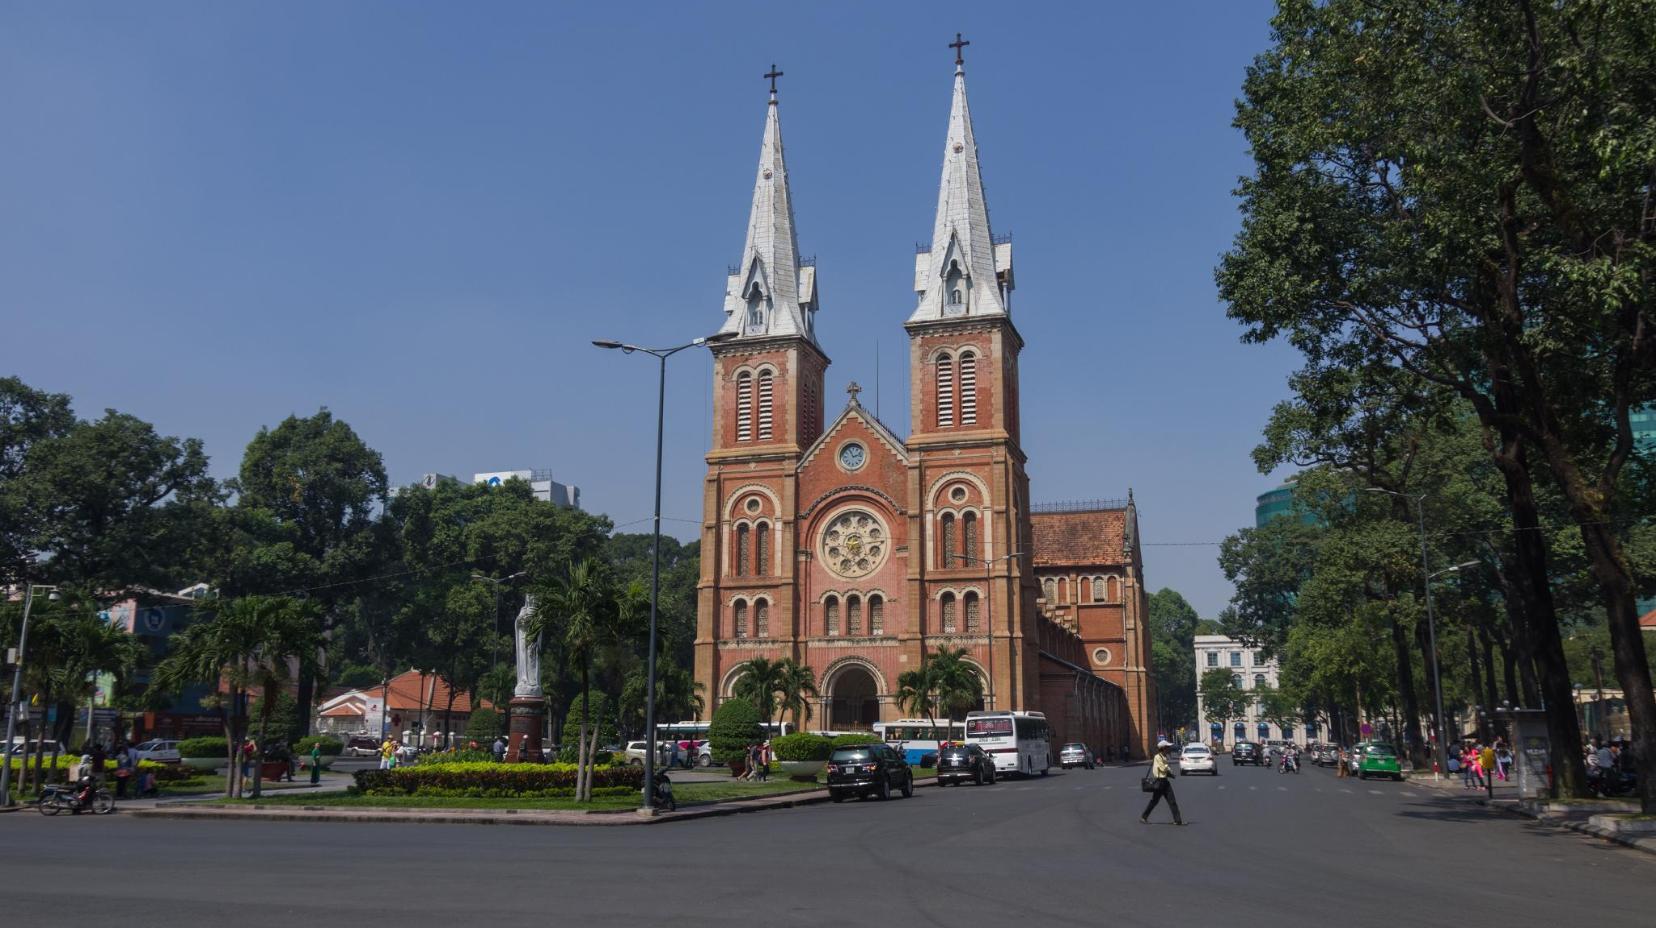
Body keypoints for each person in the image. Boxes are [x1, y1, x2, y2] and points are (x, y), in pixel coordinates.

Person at [1140, 740, 1184, 826]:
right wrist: (1168, 768)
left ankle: (1178, 820)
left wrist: (1170, 773)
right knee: (1154, 801)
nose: (1169, 749)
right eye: (1168, 747)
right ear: (1163, 748)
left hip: (1165, 782)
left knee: (1172, 801)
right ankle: (1144, 817)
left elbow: (1166, 769)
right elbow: (1163, 768)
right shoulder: (1157, 757)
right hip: (1159, 782)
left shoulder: (1164, 757)